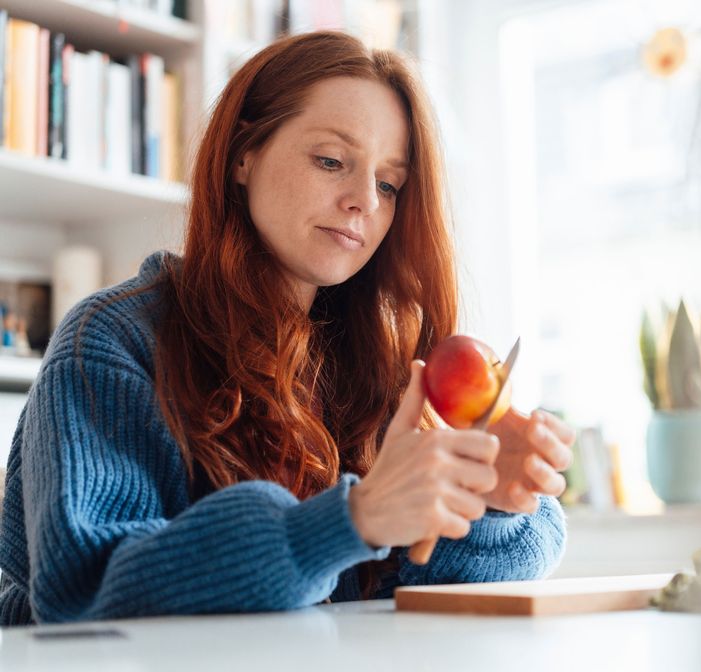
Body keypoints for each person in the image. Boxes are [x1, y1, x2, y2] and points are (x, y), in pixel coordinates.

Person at [0, 31, 573, 626]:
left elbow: (415, 583)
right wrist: (350, 521)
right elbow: (83, 586)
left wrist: (488, 503)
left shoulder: (375, 361)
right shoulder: (113, 341)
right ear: (243, 155)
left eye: (388, 184)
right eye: (331, 161)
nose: (363, 203)